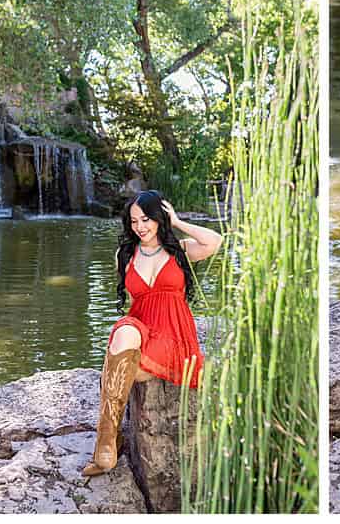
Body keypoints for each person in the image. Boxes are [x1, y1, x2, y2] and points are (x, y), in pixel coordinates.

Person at [81, 190, 223, 477]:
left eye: (146, 219)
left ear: (159, 218)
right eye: (134, 221)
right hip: (141, 331)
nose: (140, 227)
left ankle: (110, 443)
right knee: (123, 331)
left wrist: (177, 222)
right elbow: (135, 307)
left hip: (172, 336)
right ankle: (107, 440)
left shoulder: (180, 250)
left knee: (117, 361)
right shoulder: (124, 255)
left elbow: (215, 241)